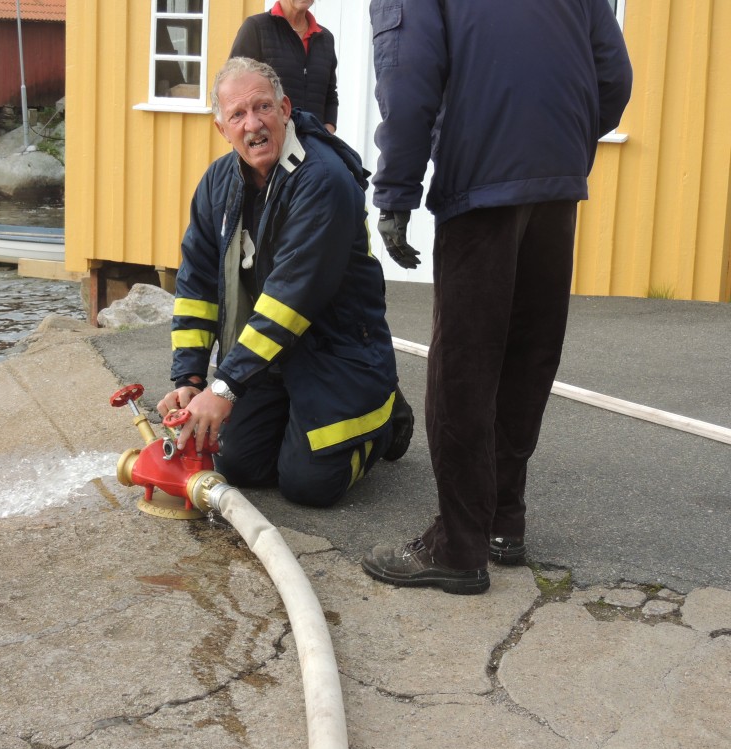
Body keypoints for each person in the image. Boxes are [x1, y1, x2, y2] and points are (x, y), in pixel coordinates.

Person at [361, 0, 633, 594]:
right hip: (556, 181)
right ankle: (504, 519)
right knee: (527, 351)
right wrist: (556, 141)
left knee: (465, 362)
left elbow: (407, 82)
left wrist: (396, 193)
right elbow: (614, 76)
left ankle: (459, 545)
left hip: (480, 181)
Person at [156, 57, 413, 508]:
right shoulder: (217, 182)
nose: (252, 124)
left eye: (263, 108)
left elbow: (291, 298)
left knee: (309, 486)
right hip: (273, 354)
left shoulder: (324, 179)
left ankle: (387, 415)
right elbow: (195, 285)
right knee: (239, 466)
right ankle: (305, 425)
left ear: (285, 109)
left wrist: (226, 385)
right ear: (222, 128)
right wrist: (191, 377)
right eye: (237, 114)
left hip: (337, 351)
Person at [230, 0, 338, 133]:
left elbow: (330, 95)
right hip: (265, 145)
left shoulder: (325, 38)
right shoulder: (255, 28)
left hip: (314, 147)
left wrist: (327, 133)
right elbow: (235, 91)